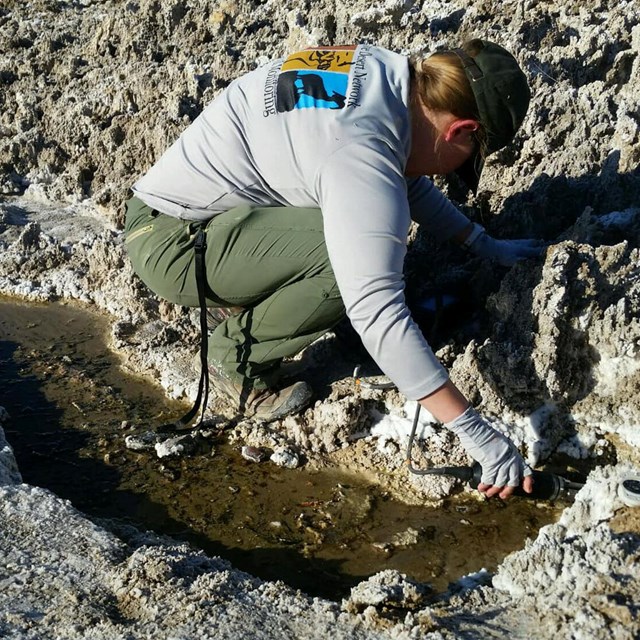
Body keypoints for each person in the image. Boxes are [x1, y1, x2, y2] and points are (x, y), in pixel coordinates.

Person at [125, 39, 542, 499]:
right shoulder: (361, 149)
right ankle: (236, 360)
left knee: (358, 230)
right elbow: (376, 313)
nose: (450, 176)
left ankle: (247, 297)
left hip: (192, 218)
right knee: (342, 262)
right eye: (466, 161)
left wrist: (485, 244)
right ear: (460, 130)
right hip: (175, 247)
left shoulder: (390, 78)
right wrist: (475, 432)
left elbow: (402, 177)